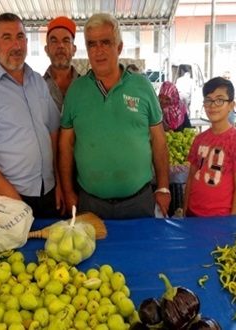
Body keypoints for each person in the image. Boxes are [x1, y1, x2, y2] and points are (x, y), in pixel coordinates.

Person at [59, 13, 170, 219]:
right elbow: (65, 145)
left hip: (139, 202)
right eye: (92, 44)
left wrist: (163, 187)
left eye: (105, 43)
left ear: (119, 47)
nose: (98, 51)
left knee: (141, 251)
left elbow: (159, 140)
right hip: (90, 203)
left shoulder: (142, 86)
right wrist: (68, 192)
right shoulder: (76, 91)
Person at [0, 13, 63, 218]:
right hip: (12, 198)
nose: (16, 45)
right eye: (7, 38)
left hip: (49, 192)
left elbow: (52, 133)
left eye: (20, 37)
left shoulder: (38, 82)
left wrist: (59, 183)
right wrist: (13, 198)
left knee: (52, 248)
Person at [183, 77, 236, 217]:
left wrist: (233, 223)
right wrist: (185, 211)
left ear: (231, 105)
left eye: (220, 100)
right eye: (208, 100)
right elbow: (190, 178)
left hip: (221, 218)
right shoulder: (199, 139)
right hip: (193, 214)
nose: (213, 105)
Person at [43, 16, 80, 112]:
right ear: (47, 50)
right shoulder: (38, 86)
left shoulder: (87, 86)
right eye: (54, 41)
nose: (60, 46)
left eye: (66, 41)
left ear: (74, 49)